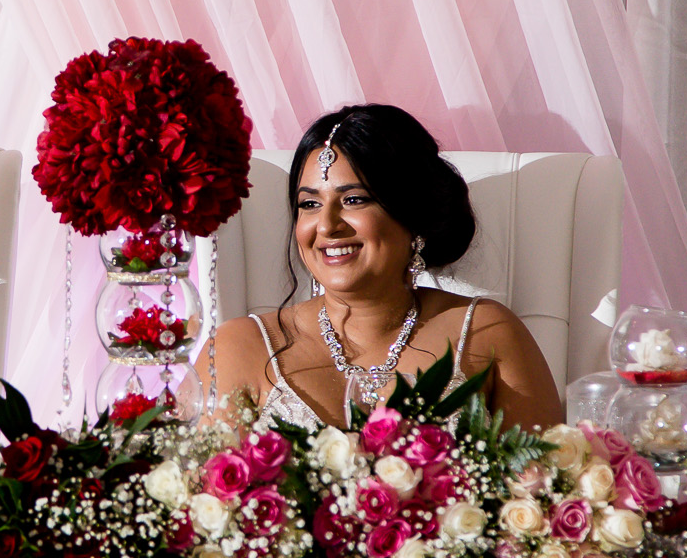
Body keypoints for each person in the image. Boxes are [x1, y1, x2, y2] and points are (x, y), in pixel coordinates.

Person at [199, 104, 563, 431]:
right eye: (309, 204)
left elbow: (549, 491)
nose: (326, 226)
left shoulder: (489, 333)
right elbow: (195, 496)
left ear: (413, 217)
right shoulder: (240, 348)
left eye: (354, 200)